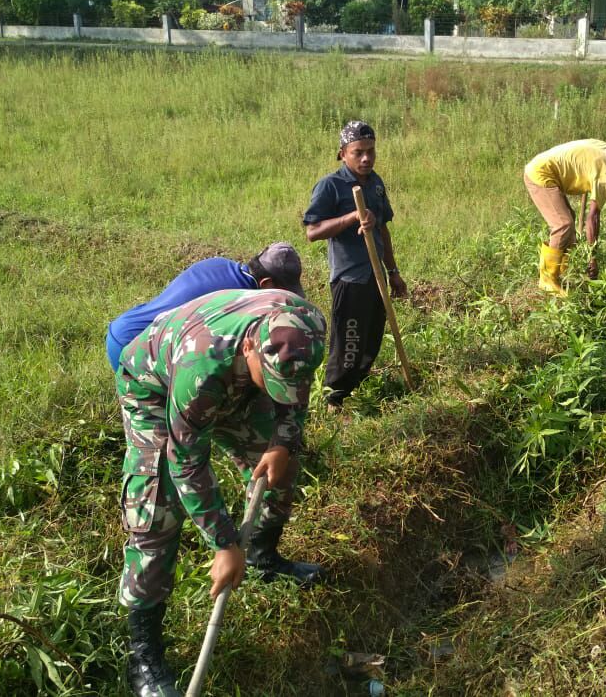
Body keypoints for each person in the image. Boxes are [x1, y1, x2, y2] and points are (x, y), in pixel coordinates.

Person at [117, 289, 326, 697]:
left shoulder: (303, 327)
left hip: (240, 383)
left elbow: (294, 391)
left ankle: (265, 558)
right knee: (157, 512)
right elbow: (186, 463)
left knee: (281, 475)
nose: (283, 391)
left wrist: (282, 442)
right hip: (156, 389)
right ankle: (142, 656)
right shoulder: (201, 367)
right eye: (273, 381)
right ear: (250, 346)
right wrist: (225, 544)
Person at [303, 121, 407, 409]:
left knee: (371, 339)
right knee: (348, 342)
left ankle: (357, 390)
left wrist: (394, 272)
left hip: (377, 276)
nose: (366, 158)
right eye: (358, 152)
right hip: (350, 279)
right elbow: (312, 232)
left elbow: (383, 229)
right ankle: (333, 398)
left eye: (370, 151)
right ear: (342, 154)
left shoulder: (375, 183)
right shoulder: (331, 186)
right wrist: (350, 218)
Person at [106, 243, 305, 372]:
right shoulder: (239, 300)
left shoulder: (219, 263)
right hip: (137, 344)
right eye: (282, 291)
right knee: (167, 418)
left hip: (125, 325)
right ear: (266, 283)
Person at [523, 139, 606, 296]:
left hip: (544, 167)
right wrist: (592, 259)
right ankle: (547, 279)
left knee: (569, 217)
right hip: (540, 174)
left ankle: (562, 272)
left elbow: (583, 157)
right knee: (563, 224)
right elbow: (593, 219)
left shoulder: (605, 149)